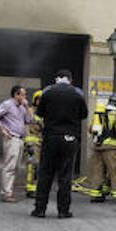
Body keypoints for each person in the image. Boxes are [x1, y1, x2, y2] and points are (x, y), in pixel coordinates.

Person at [31, 70, 89, 219]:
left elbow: (40, 113)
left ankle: (40, 209)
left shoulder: (48, 92)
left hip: (51, 136)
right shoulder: (77, 93)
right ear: (70, 79)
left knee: (45, 173)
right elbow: (84, 114)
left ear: (57, 79)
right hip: (69, 137)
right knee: (65, 175)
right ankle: (63, 211)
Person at [86, 96, 116, 203]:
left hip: (97, 146)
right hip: (111, 147)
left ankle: (95, 195)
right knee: (115, 170)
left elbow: (90, 129)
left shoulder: (99, 113)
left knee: (97, 171)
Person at [0, 84, 32, 202]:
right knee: (10, 166)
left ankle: (9, 191)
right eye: (23, 94)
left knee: (16, 167)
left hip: (20, 139)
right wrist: (2, 129)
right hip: (11, 138)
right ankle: (6, 193)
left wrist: (27, 107)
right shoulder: (7, 104)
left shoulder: (22, 107)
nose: (24, 97)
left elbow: (29, 120)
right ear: (16, 94)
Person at [23, 89, 42, 198]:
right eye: (39, 99)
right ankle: (30, 188)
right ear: (35, 100)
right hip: (32, 144)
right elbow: (25, 127)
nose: (41, 102)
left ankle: (37, 187)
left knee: (40, 167)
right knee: (32, 166)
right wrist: (28, 143)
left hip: (42, 144)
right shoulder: (30, 111)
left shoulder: (47, 112)